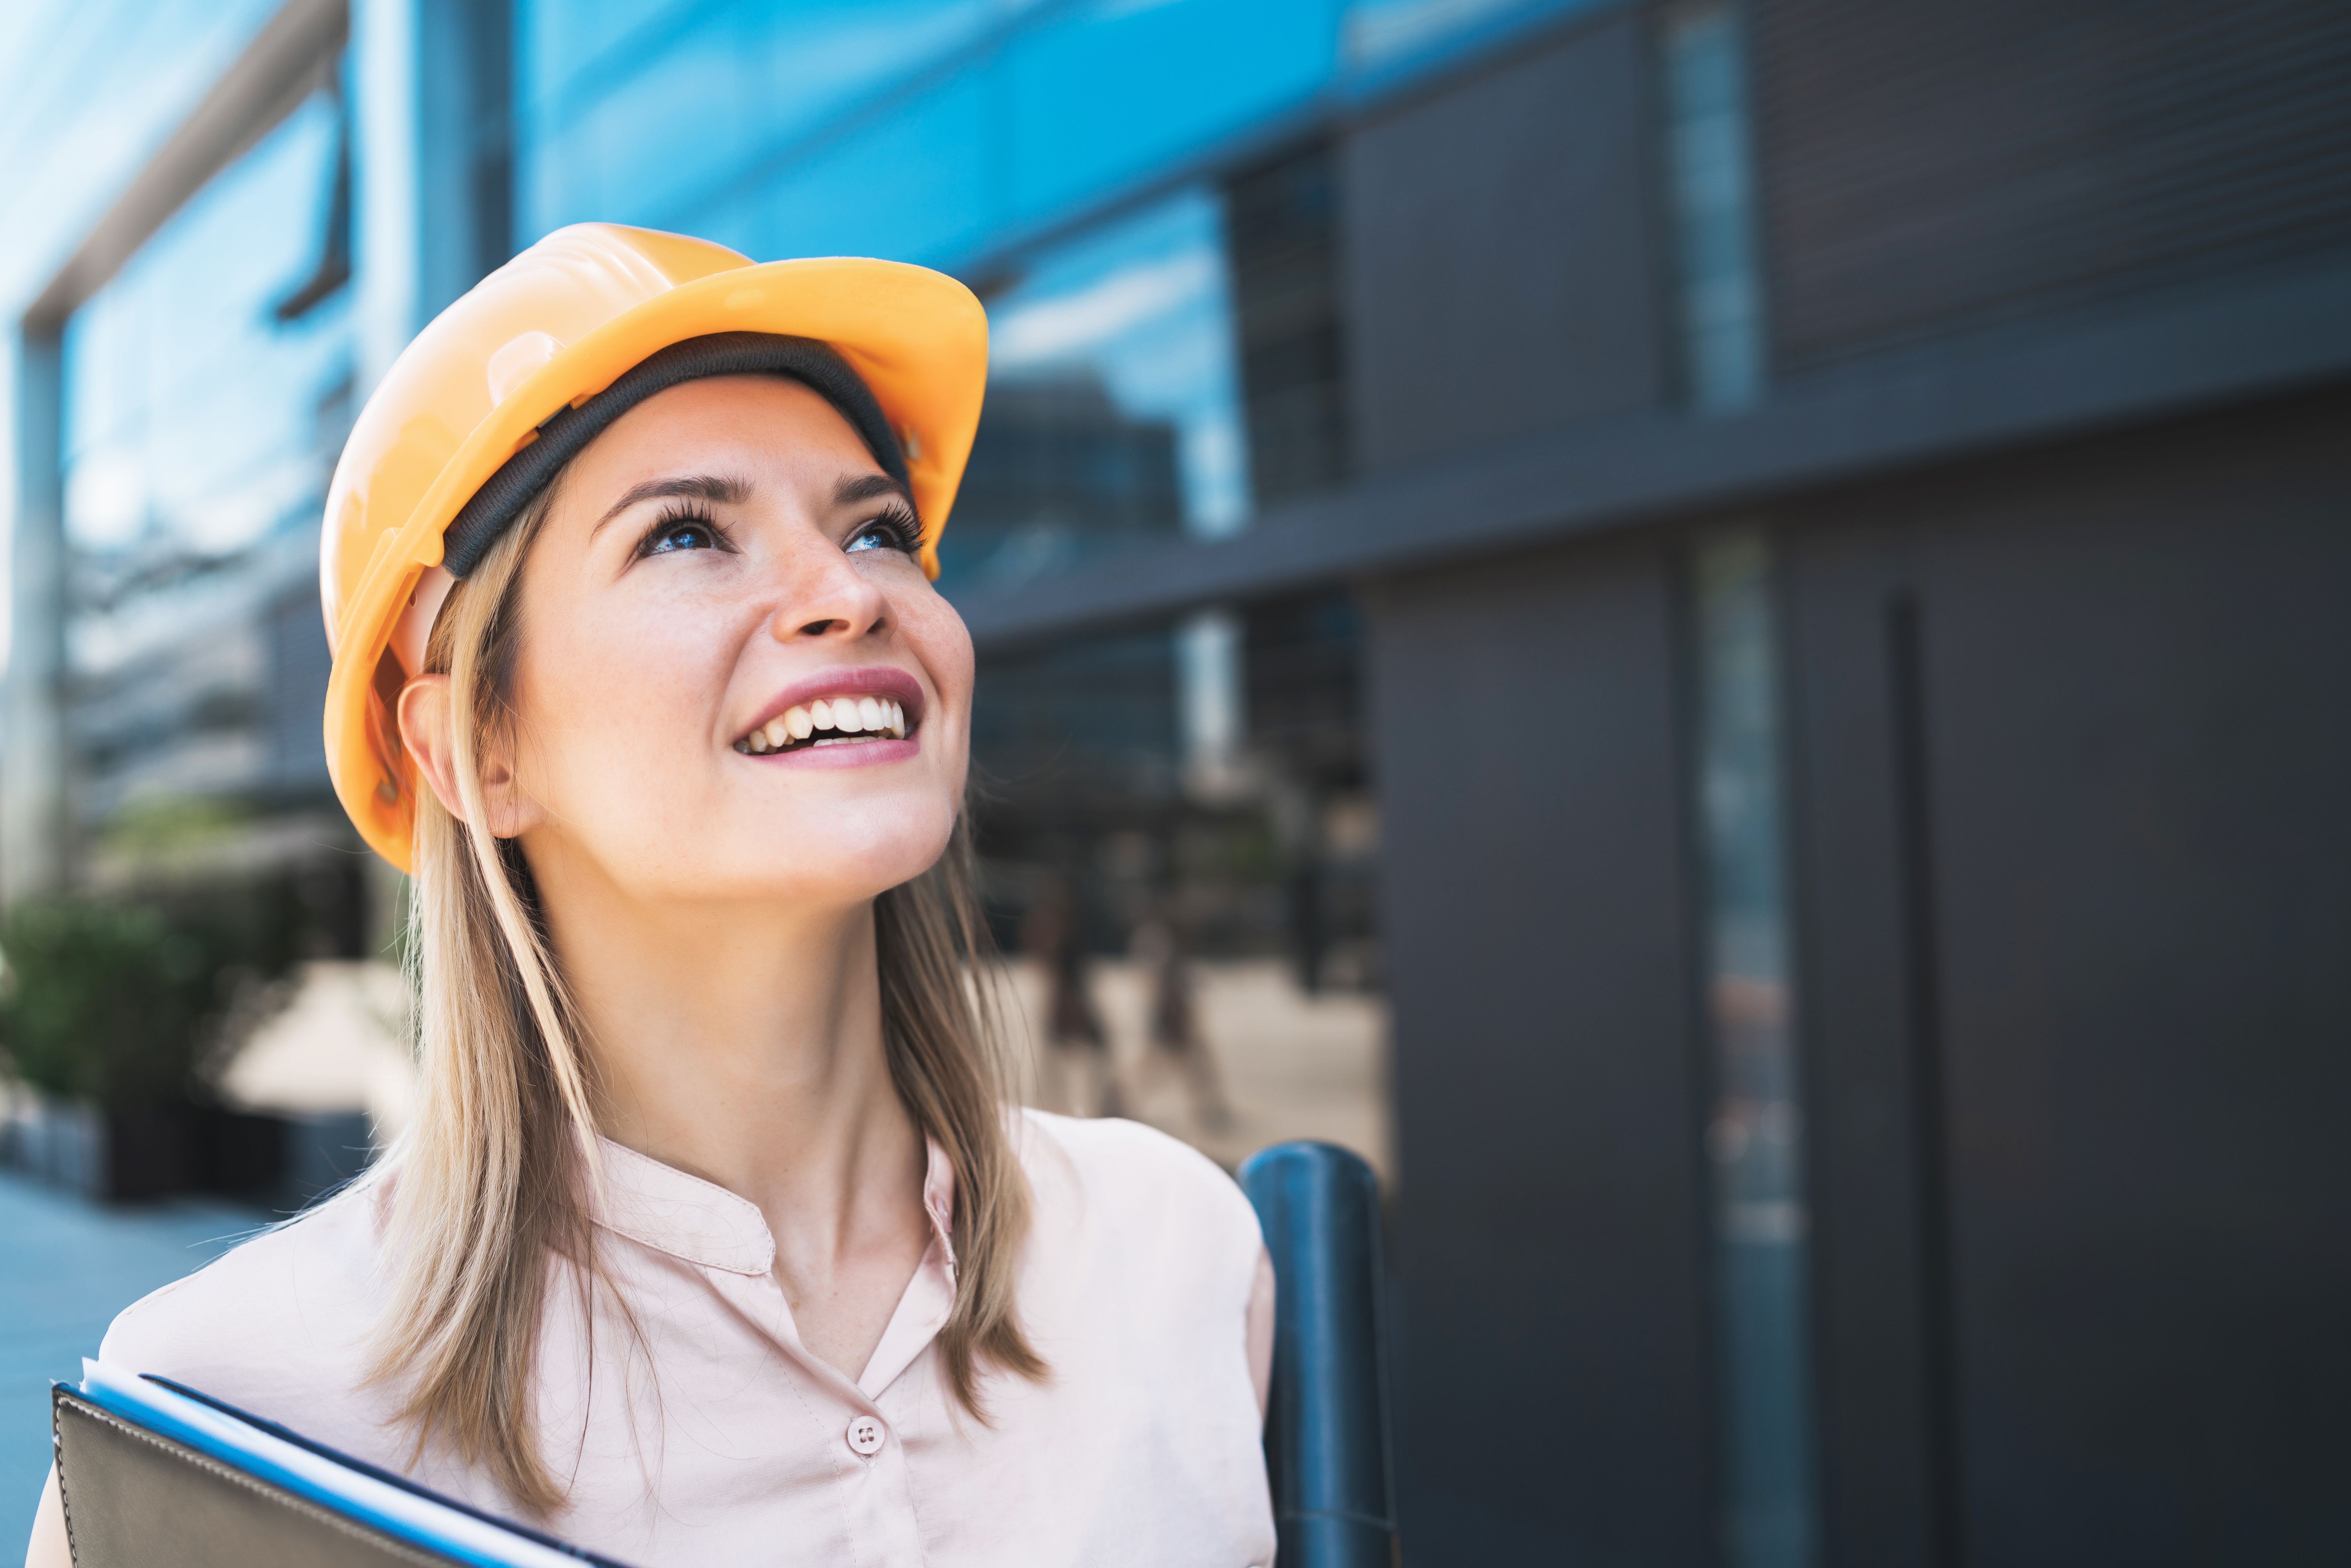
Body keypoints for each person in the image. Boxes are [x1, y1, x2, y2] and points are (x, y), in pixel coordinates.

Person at [25, 225, 1275, 1568]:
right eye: (686, 532)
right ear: (477, 752)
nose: (847, 591)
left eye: (878, 528)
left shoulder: (1176, 1246)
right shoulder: (219, 1410)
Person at [1020, 877, 1123, 1119]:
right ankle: (1060, 1107)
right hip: (1067, 996)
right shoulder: (1057, 926)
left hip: (1070, 995)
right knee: (1067, 1056)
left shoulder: (1060, 926)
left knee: (1074, 1055)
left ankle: (1064, 1106)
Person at [1132, 907, 1235, 1135]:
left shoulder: (1160, 938)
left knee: (1193, 1064)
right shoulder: (1158, 937)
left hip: (1172, 1013)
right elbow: (1159, 981)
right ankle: (1125, 1101)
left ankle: (1209, 1105)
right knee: (1161, 1066)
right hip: (1169, 1015)